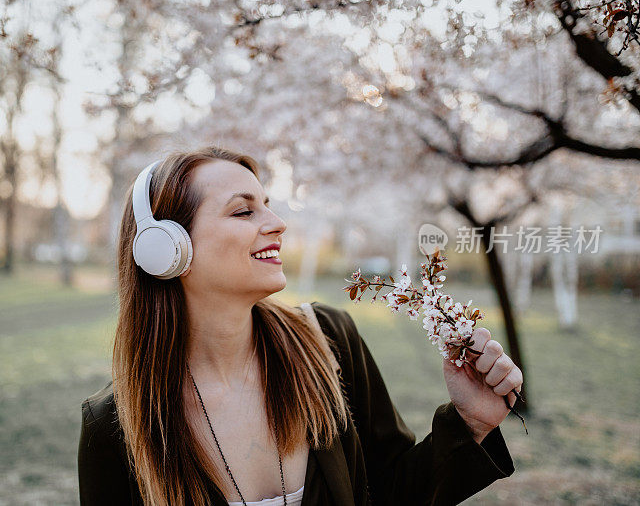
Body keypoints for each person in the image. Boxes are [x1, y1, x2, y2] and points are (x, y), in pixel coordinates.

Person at [78, 147, 521, 505]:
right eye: (243, 212)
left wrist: (469, 424)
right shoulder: (117, 423)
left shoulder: (329, 339)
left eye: (266, 206)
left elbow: (392, 491)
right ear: (165, 249)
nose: (277, 224)